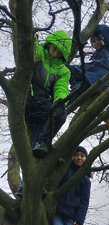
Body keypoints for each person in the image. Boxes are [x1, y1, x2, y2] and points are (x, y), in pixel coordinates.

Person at [25, 30, 72, 158]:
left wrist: (60, 101)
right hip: (27, 99)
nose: (55, 54)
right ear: (49, 44)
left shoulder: (64, 71)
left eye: (59, 53)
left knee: (60, 113)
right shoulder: (39, 54)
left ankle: (41, 144)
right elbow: (30, 49)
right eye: (54, 49)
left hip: (42, 107)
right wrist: (31, 36)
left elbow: (61, 88)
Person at [68, 24, 109, 102]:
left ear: (103, 40)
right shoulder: (95, 57)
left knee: (68, 70)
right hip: (88, 76)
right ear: (92, 45)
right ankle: (75, 87)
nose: (96, 42)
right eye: (93, 41)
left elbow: (105, 29)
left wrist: (92, 29)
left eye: (98, 39)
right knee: (68, 70)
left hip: (96, 77)